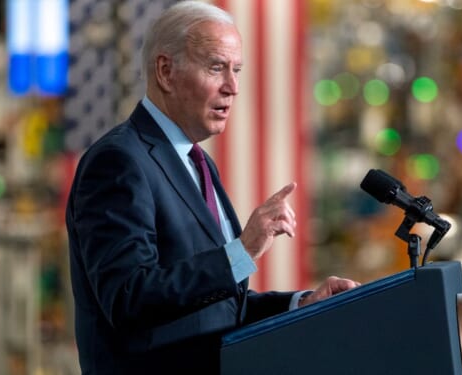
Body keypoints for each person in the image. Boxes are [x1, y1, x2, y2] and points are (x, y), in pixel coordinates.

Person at [65, 2, 359, 373]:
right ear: (166, 71)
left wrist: (299, 305)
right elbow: (129, 298)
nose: (233, 87)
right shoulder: (118, 161)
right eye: (216, 67)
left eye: (236, 70)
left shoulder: (199, 163)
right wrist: (242, 251)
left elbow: (214, 306)